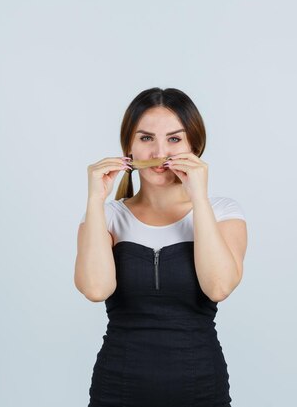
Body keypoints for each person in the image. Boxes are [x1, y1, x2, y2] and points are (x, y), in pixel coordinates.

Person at [74, 87, 248, 407]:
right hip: (117, 391)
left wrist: (198, 197)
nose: (159, 152)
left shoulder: (223, 212)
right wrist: (95, 200)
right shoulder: (108, 217)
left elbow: (219, 286)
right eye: (145, 138)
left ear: (193, 144)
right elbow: (96, 289)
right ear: (129, 146)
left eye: (173, 139)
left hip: (201, 391)